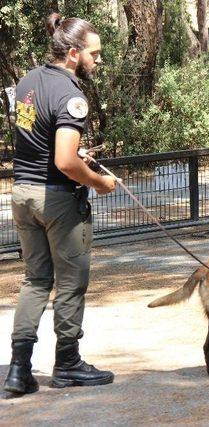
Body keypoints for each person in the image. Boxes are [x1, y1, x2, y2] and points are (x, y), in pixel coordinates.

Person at [3, 13, 118, 395]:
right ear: (72, 53)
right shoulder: (72, 94)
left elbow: (34, 137)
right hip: (56, 201)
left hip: (23, 194)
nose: (97, 61)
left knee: (36, 280)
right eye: (94, 54)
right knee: (70, 284)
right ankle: (67, 363)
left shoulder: (27, 82)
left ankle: (18, 370)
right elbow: (65, 162)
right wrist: (100, 182)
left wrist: (76, 151)